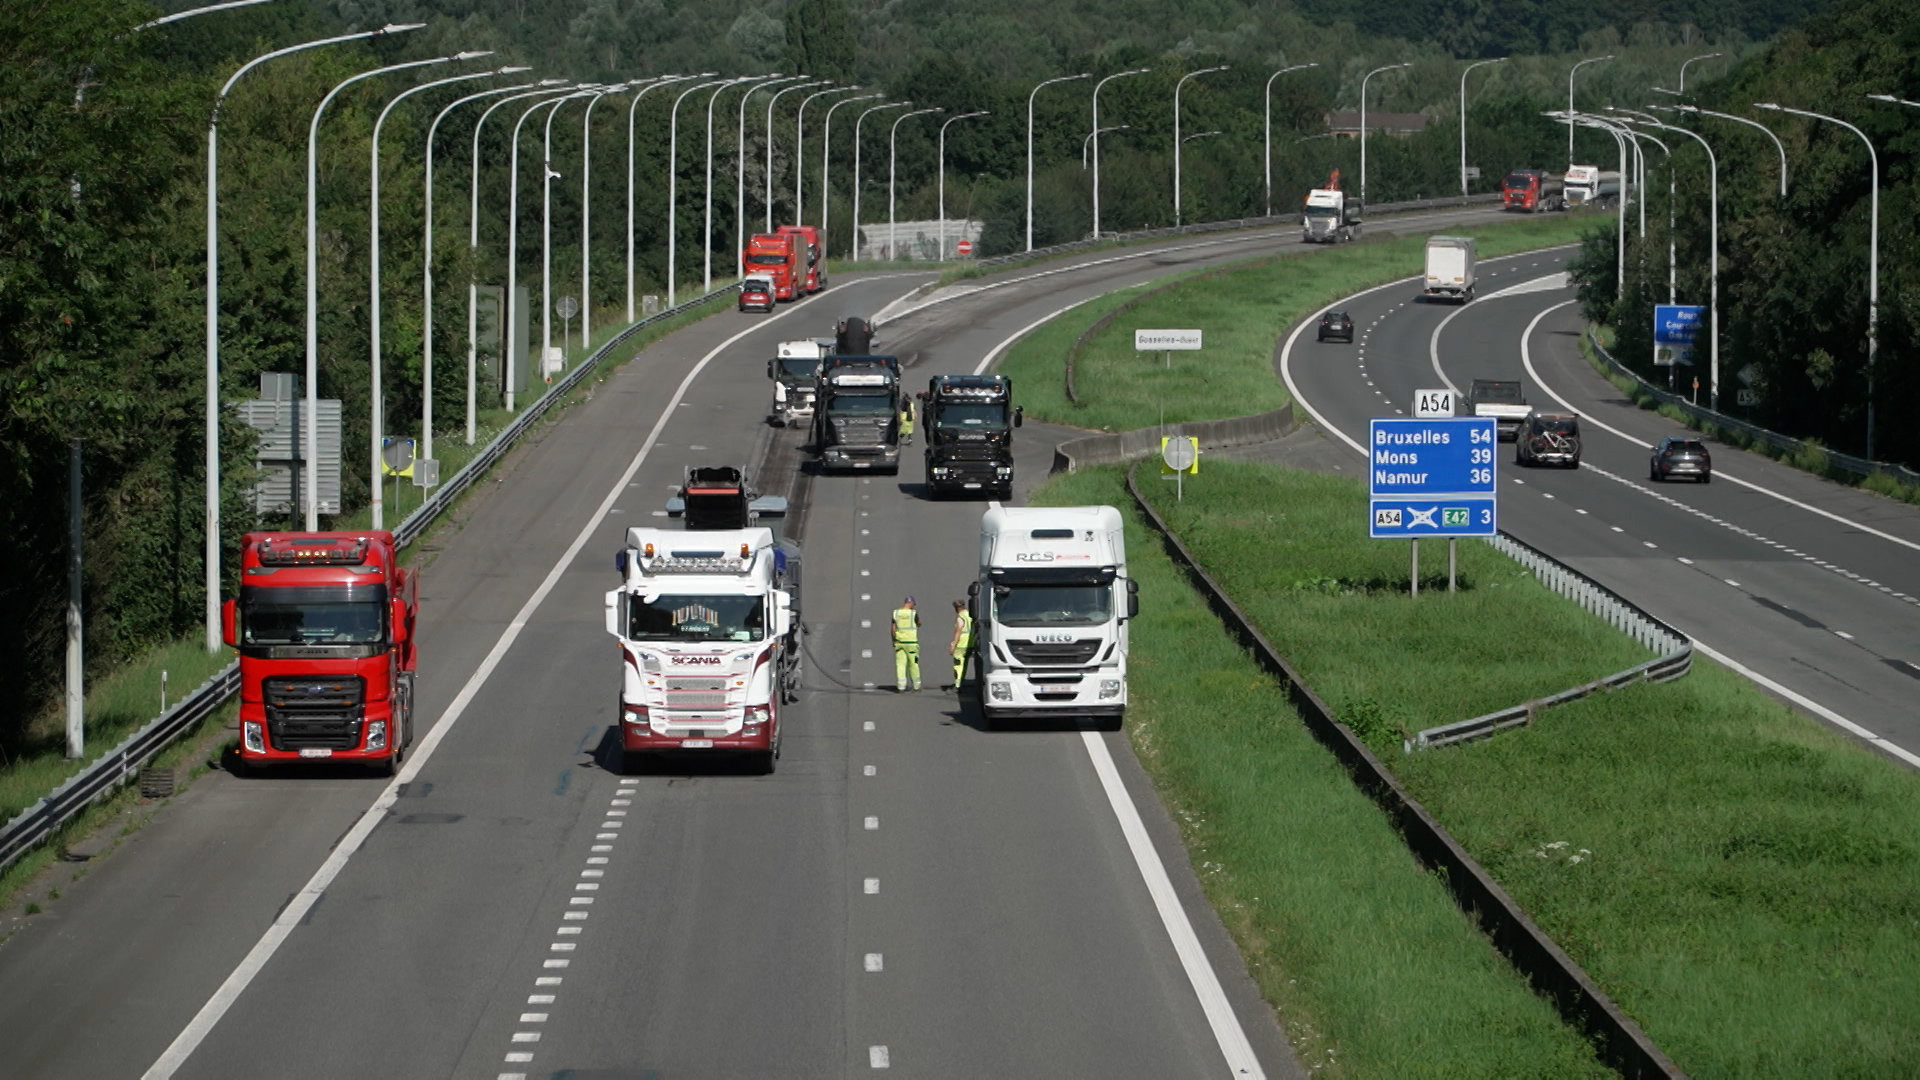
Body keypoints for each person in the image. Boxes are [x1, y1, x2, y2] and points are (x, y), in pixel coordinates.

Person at [890, 596, 921, 692]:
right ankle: (916, 686)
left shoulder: (896, 613)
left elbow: (892, 629)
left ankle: (901, 686)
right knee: (913, 664)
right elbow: (919, 623)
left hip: (899, 642)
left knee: (900, 664)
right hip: (911, 643)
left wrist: (894, 640)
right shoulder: (913, 613)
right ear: (911, 603)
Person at [947, 599, 972, 691]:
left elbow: (958, 631)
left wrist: (953, 644)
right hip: (970, 643)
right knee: (964, 664)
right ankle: (961, 681)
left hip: (961, 644)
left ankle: (957, 685)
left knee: (958, 665)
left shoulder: (960, 617)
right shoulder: (969, 615)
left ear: (956, 608)